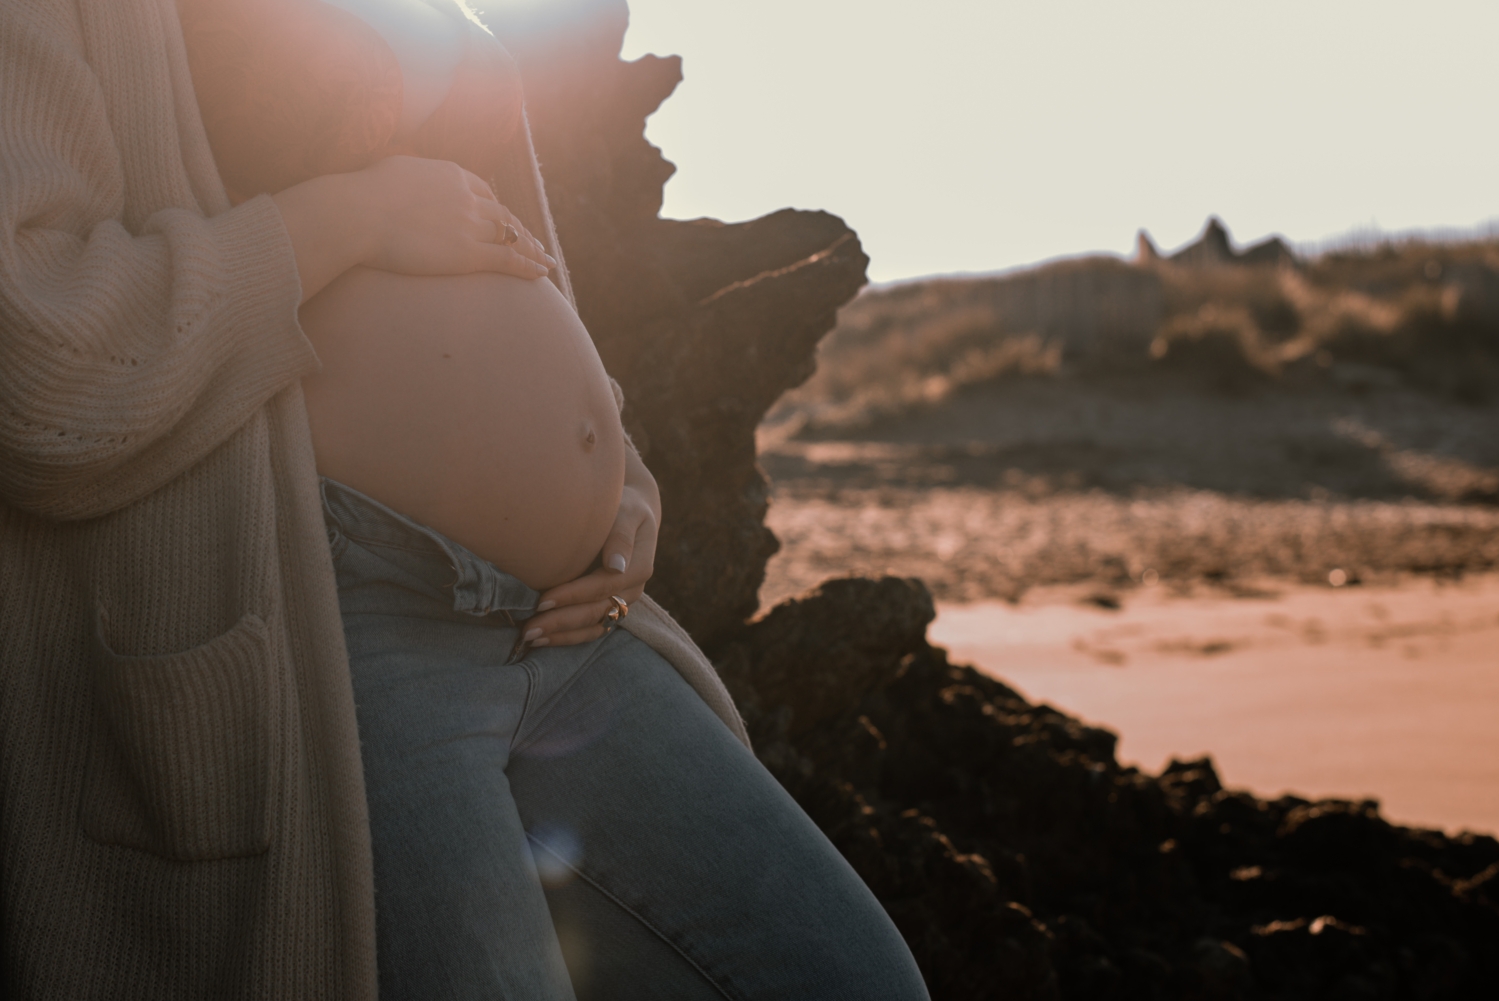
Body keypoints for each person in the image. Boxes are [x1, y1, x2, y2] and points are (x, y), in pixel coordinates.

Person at [0, 0, 930, 998]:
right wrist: (357, 216)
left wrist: (618, 474)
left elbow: (508, 248)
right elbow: (40, 365)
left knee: (851, 975)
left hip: (566, 620)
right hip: (341, 616)